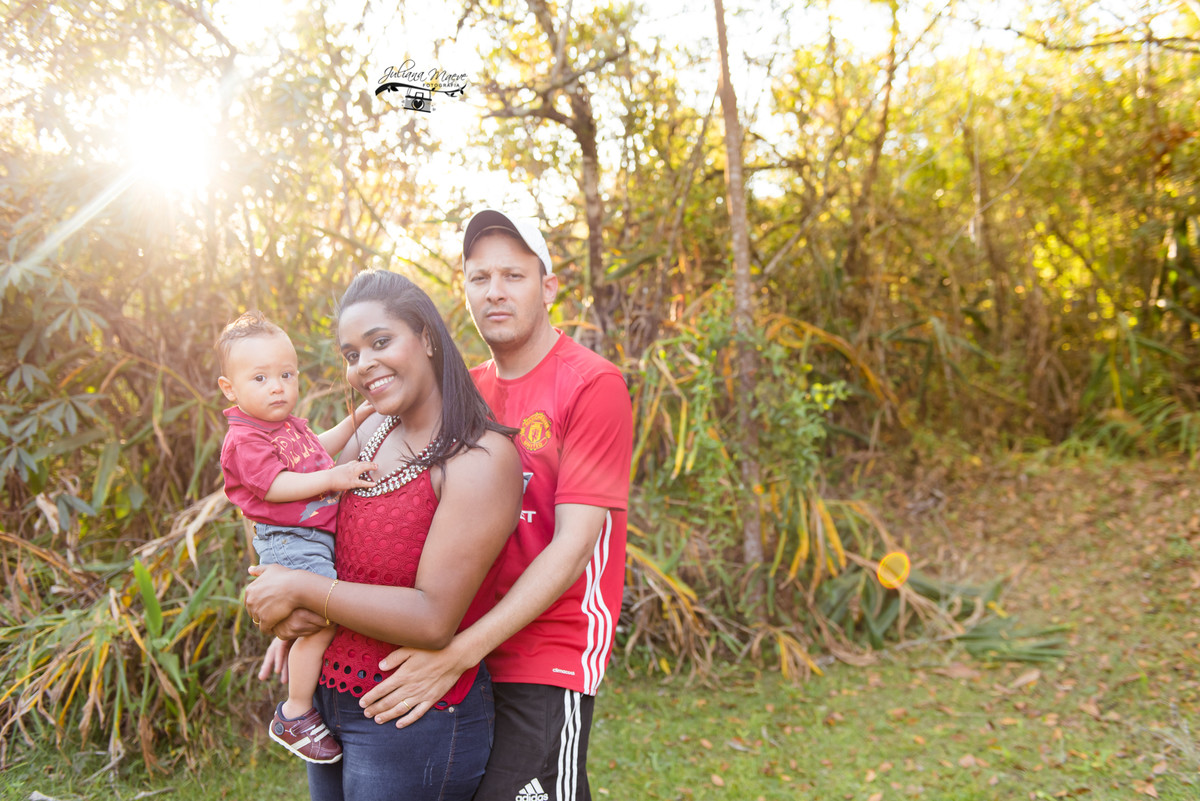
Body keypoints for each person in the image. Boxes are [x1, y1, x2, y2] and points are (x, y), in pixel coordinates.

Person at [357, 209, 634, 801]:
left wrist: (459, 652)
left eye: (513, 275)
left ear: (548, 286)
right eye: (479, 278)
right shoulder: (465, 390)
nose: (495, 292)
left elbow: (573, 545)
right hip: (460, 642)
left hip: (546, 654)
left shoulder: (592, 384)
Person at [244, 272, 523, 801]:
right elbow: (297, 520)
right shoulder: (371, 432)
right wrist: (285, 613)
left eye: (379, 342)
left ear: (427, 338)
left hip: (412, 712)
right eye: (351, 354)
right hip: (326, 704)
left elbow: (432, 618)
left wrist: (302, 591)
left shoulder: (480, 459)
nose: (363, 365)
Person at [216, 310, 379, 764]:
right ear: (230, 388)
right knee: (324, 617)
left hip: (307, 538)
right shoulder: (245, 438)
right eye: (261, 377)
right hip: (290, 539)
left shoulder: (286, 426)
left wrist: (359, 418)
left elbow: (316, 450)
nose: (277, 387)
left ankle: (293, 673)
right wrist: (337, 478)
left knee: (312, 615)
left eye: (286, 374)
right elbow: (276, 486)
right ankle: (296, 712)